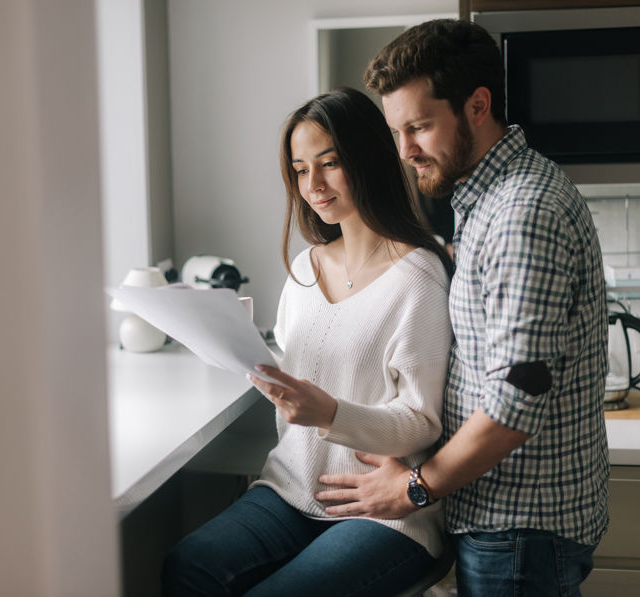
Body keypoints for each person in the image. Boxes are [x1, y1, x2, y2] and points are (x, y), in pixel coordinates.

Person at [315, 19, 610, 597]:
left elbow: (517, 400)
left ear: (478, 106)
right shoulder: (486, 200)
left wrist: (414, 489)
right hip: (508, 524)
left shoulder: (522, 213)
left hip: (520, 531)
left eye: (419, 127)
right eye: (397, 131)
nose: (404, 151)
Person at [161, 87, 453, 597]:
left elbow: (423, 422)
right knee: (189, 565)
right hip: (291, 489)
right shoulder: (303, 269)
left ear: (368, 159)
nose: (312, 184)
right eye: (299, 170)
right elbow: (304, 373)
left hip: (382, 511)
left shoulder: (418, 277)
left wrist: (331, 414)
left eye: (329, 162)